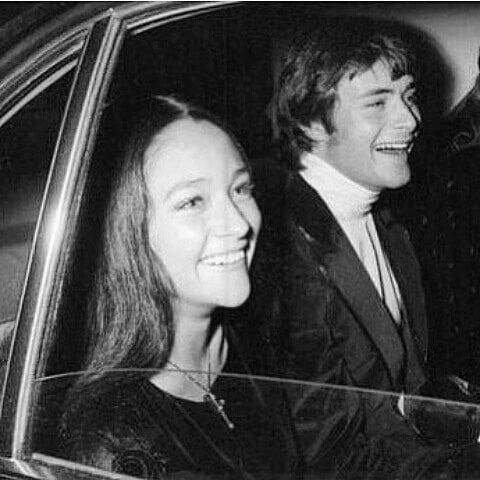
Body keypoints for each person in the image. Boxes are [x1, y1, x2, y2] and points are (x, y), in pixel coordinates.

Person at [251, 20, 480, 479]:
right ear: (311, 123)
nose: (410, 119)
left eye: (408, 95)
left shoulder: (384, 216)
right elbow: (334, 456)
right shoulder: (283, 255)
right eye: (377, 103)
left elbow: (405, 393)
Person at [58, 95, 300, 479]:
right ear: (129, 231)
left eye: (240, 189)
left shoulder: (256, 338)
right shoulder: (115, 437)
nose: (239, 225)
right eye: (192, 202)